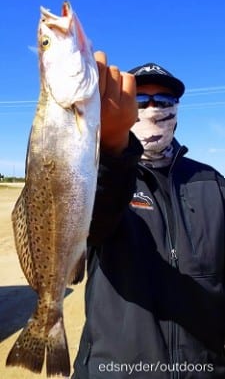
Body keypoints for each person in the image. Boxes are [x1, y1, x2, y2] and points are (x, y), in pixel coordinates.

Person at [71, 51, 225, 378]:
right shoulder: (103, 176)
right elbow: (93, 220)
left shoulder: (213, 183)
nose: (153, 108)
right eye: (140, 99)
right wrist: (113, 150)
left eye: (164, 99)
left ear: (177, 111)